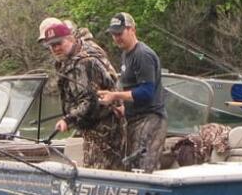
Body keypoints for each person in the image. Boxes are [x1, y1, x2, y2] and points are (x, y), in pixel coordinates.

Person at [40, 20, 125, 170]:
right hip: (90, 127)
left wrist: (68, 119)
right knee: (92, 169)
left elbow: (90, 100)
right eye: (52, 46)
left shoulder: (85, 62)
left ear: (71, 39)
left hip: (104, 127)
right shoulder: (68, 61)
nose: (56, 48)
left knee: (100, 173)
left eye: (59, 43)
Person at [97, 12, 167, 172]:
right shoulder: (126, 54)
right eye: (113, 34)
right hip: (134, 119)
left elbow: (146, 92)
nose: (116, 38)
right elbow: (131, 88)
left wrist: (114, 95)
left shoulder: (143, 55)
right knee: (130, 166)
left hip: (151, 120)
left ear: (132, 30)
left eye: (120, 33)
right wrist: (123, 108)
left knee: (143, 169)